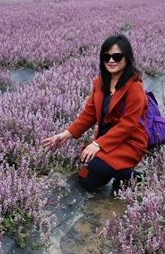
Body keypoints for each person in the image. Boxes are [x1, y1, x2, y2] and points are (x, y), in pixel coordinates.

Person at [42, 34, 149, 192]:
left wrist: (97, 145)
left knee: (94, 162)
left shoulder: (134, 87)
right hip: (107, 139)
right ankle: (122, 175)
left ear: (127, 58)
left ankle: (137, 176)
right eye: (106, 56)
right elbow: (89, 114)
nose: (111, 61)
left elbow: (128, 125)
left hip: (129, 140)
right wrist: (65, 134)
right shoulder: (100, 83)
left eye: (117, 56)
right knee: (87, 181)